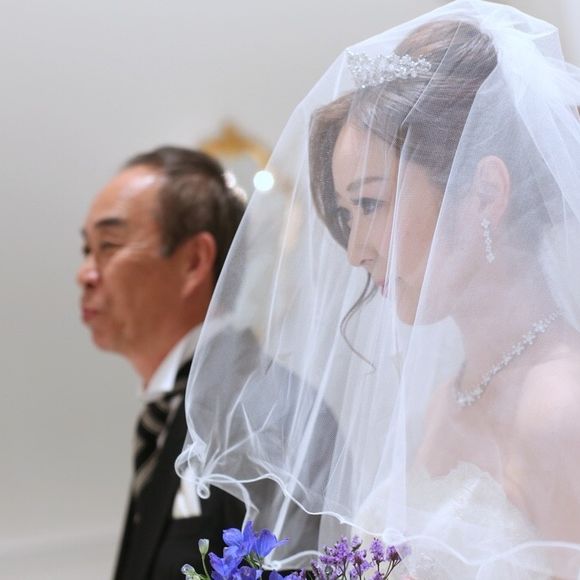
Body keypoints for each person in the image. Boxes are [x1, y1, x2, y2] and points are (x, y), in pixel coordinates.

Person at [176, 1, 580, 577]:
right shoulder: (449, 398)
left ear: (487, 191)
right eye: (347, 213)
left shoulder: (561, 413)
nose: (355, 250)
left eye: (370, 203)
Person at [77, 146, 246, 580]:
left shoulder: (254, 410)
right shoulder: (167, 412)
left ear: (193, 261)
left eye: (108, 246)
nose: (85, 273)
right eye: (86, 249)